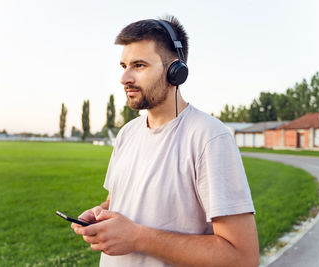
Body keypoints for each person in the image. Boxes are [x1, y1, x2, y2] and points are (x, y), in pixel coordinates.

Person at [72, 16, 259, 267]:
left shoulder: (209, 137)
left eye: (139, 65)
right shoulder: (127, 133)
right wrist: (100, 214)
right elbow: (118, 201)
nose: (124, 78)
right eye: (123, 65)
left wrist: (138, 238)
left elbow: (242, 257)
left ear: (175, 71)